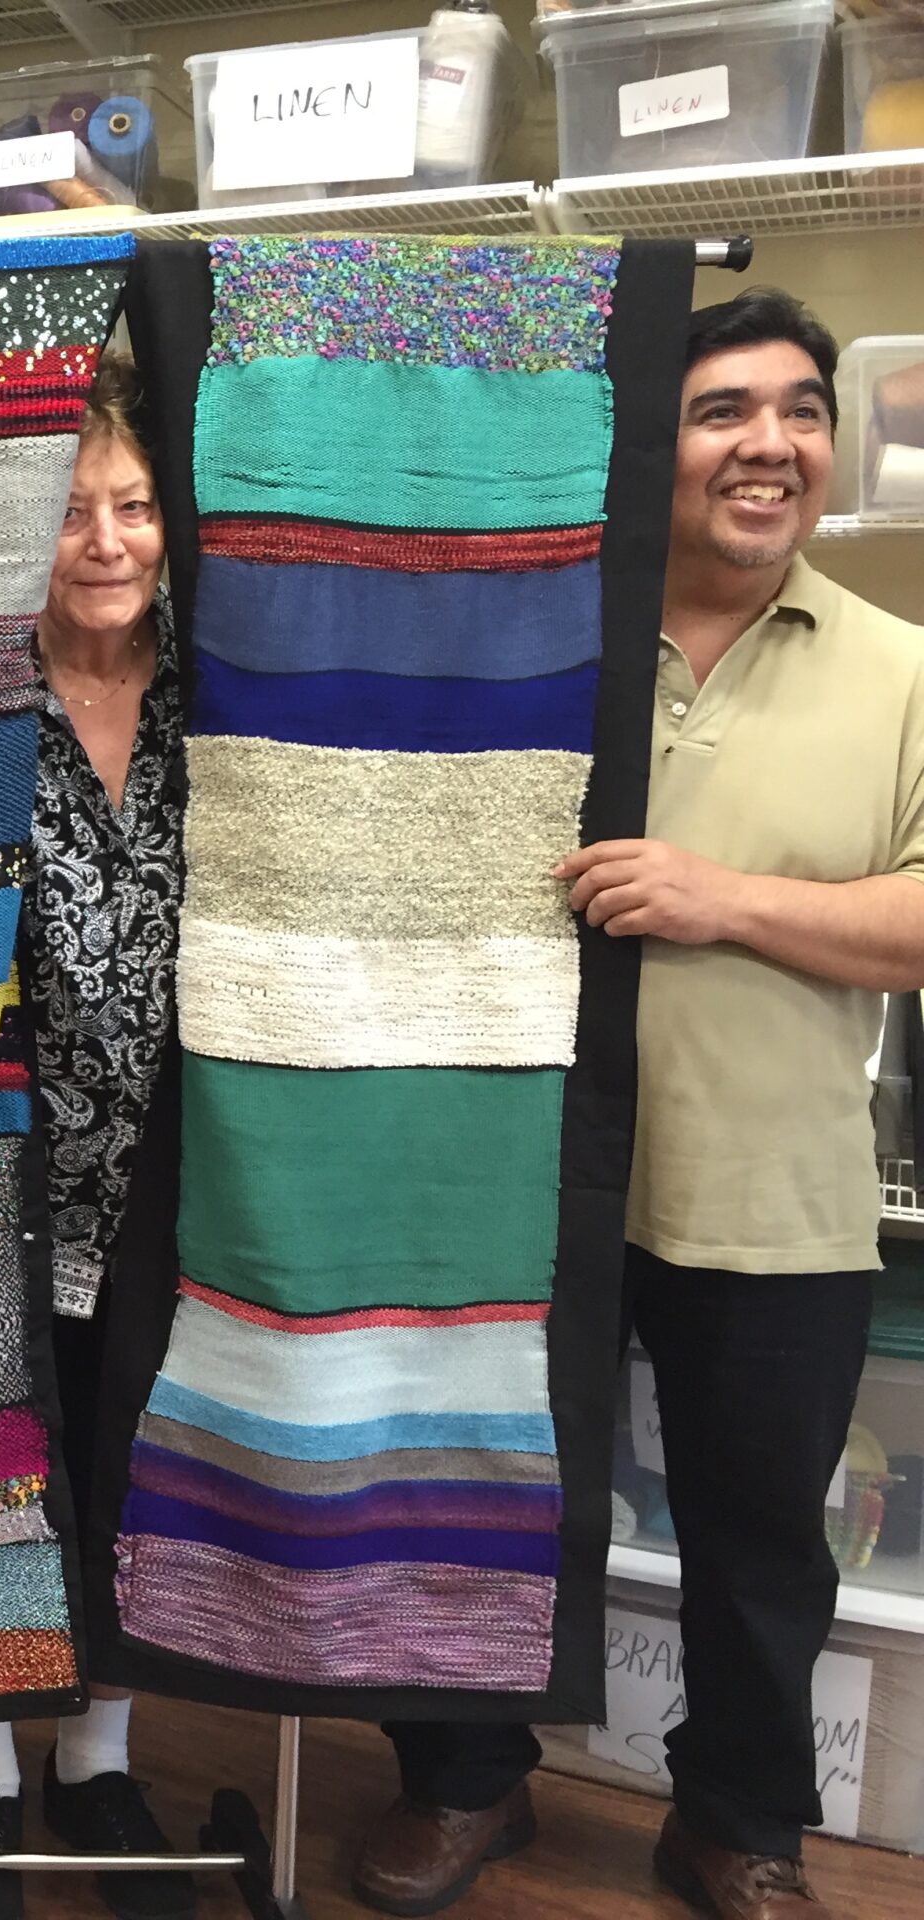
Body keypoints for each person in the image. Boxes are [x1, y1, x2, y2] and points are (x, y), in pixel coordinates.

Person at [356, 291, 924, 1920]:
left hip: (773, 1190)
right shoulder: (541, 650)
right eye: (723, 409)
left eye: (804, 410)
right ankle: (463, 1782)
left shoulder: (900, 671)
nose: (771, 444)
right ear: (643, 446)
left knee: (762, 1546)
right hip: (515, 1178)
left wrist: (719, 899)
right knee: (469, 1492)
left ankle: (741, 1821)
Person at [0, 353, 195, 1920]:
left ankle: (98, 1758)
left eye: (135, 506)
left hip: (168, 1164)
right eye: (72, 511)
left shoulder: (226, 704)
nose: (105, 540)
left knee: (130, 1455)